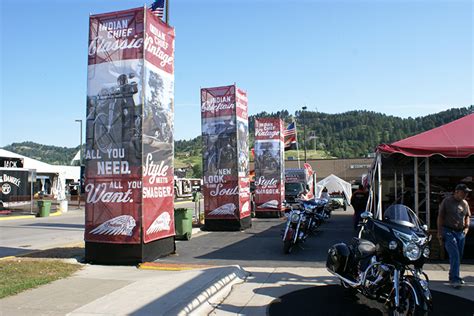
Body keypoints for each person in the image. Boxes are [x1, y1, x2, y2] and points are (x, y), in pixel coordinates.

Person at [437, 183, 471, 288]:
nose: (465, 194)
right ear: (456, 192)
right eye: (463, 192)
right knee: (455, 254)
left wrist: (466, 228)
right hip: (448, 231)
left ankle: (453, 276)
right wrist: (439, 232)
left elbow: (467, 216)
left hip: (460, 232)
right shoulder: (447, 201)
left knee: (458, 256)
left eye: (466, 193)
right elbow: (440, 217)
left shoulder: (465, 203)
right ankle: (455, 279)